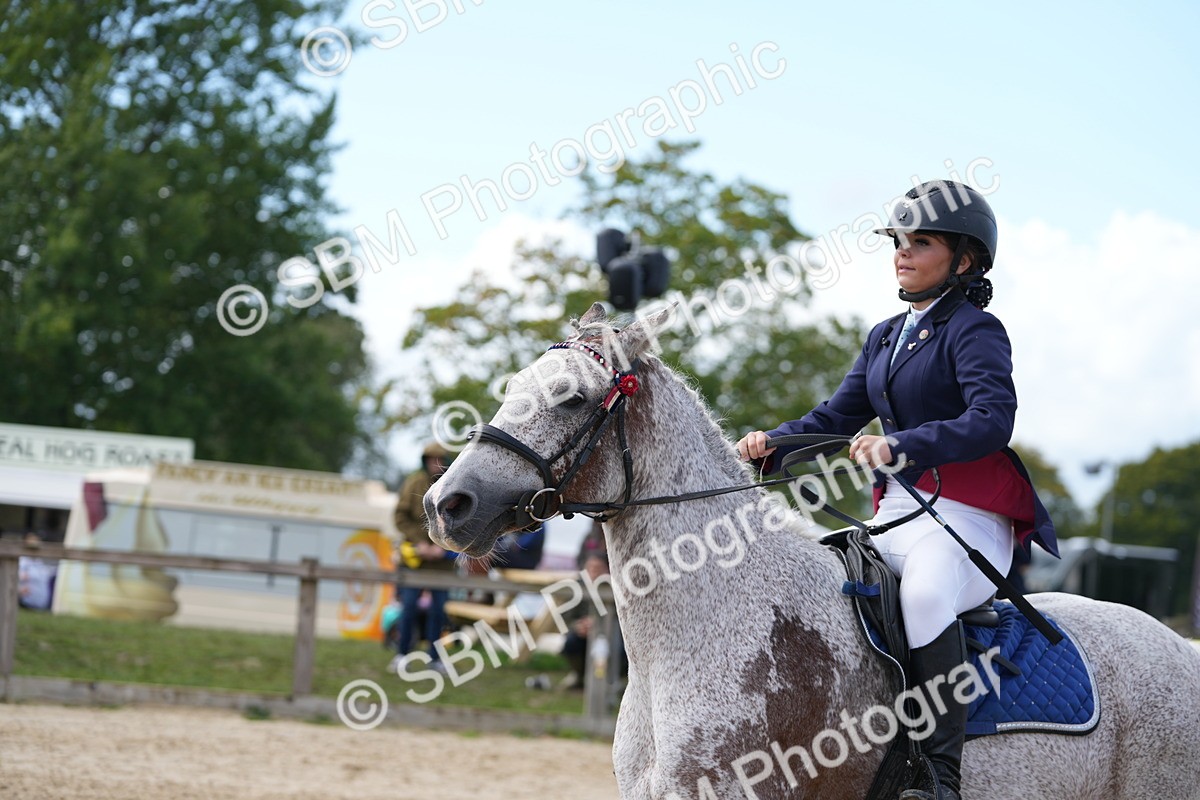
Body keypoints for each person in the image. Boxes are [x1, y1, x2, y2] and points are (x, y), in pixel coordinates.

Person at [737, 181, 1059, 800]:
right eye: (899, 242)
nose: (903, 254)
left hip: (968, 519)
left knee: (927, 595)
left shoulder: (976, 330)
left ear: (962, 261)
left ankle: (939, 778)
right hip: (900, 515)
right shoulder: (885, 336)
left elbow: (992, 419)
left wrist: (903, 444)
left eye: (922, 243)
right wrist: (769, 443)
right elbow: (835, 418)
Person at [392, 442, 457, 673]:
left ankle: (436, 658)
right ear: (424, 460)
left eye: (439, 459)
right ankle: (402, 654)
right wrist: (420, 542)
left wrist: (443, 546)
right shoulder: (413, 482)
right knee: (408, 607)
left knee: (438, 612)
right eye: (430, 459)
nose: (434, 464)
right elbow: (400, 517)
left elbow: (458, 519)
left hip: (441, 563)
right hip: (415, 560)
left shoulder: (454, 483)